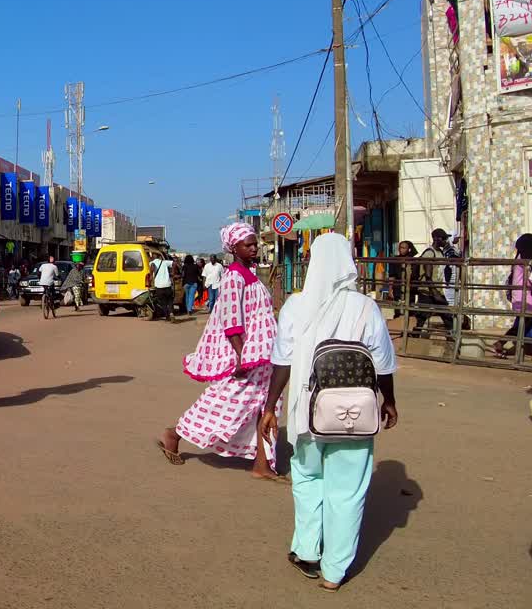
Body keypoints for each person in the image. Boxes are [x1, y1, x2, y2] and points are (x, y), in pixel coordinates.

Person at [259, 233, 399, 592]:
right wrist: (389, 402)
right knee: (348, 490)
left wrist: (270, 406)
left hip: (307, 411)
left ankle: (307, 551)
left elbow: (282, 362)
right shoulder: (366, 307)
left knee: (307, 481)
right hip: (354, 414)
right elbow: (382, 364)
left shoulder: (294, 305)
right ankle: (334, 572)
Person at [157, 222, 282, 480]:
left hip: (264, 356)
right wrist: (240, 355)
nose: (254, 248)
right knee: (223, 404)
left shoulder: (250, 274)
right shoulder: (234, 276)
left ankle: (262, 464)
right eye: (248, 244)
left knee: (265, 407)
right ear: (233, 248)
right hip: (247, 356)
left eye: (255, 243)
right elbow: (231, 320)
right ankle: (175, 433)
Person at [493, 233, 532, 357]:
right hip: (526, 299)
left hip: (520, 297)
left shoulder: (520, 258)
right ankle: (501, 342)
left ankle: (503, 343)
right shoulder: (527, 261)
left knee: (521, 324)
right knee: (524, 324)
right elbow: (531, 280)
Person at [148, 253, 176, 322]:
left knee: (163, 302)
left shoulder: (152, 262)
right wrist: (173, 273)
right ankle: (171, 313)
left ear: (153, 258)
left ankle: (167, 317)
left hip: (159, 286)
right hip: (167, 285)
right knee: (170, 301)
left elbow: (152, 265)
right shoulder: (164, 262)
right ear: (159, 257)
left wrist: (151, 275)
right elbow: (174, 263)